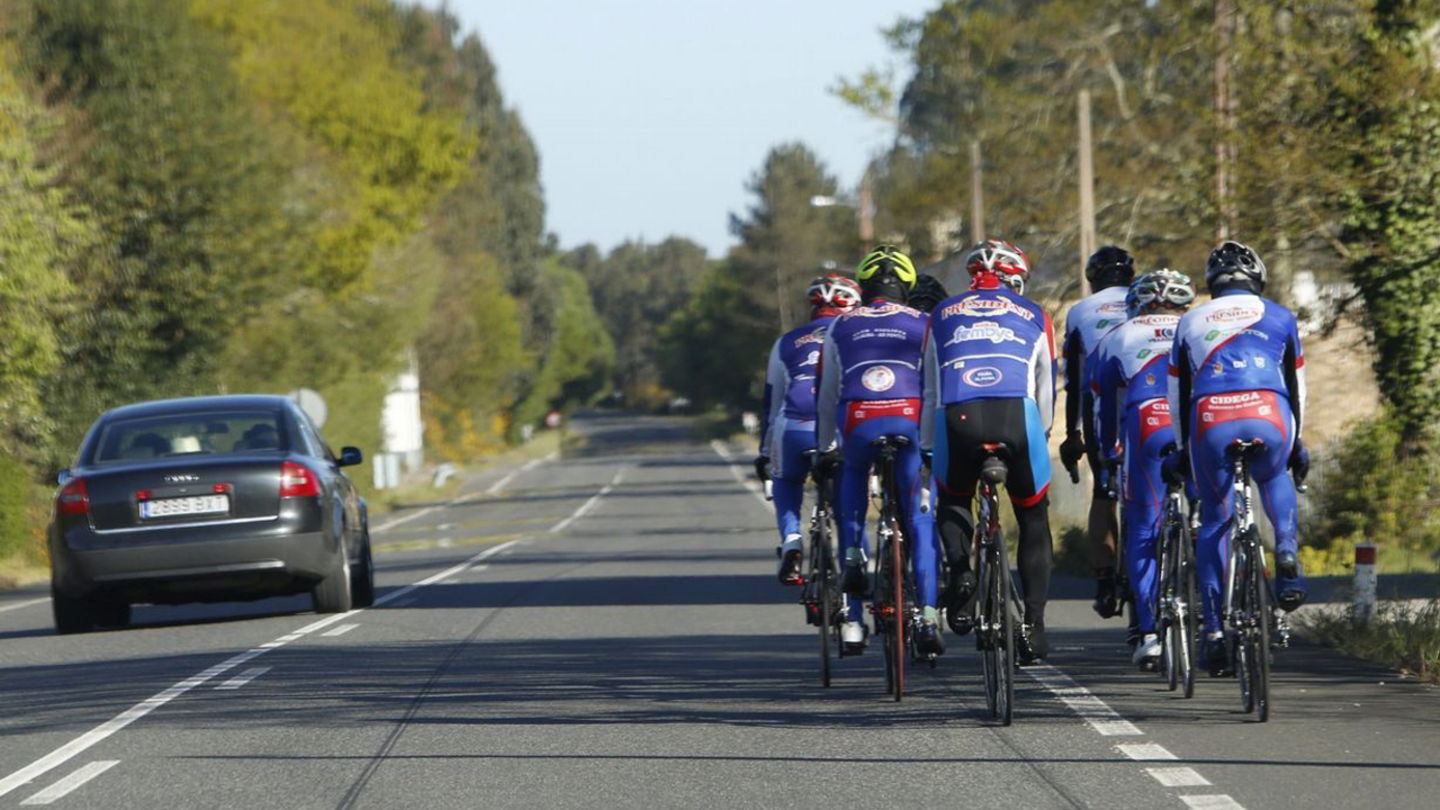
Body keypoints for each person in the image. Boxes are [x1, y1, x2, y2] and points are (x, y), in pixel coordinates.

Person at [1165, 241, 1310, 676]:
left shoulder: (1190, 320)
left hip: (1212, 418)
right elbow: (1298, 386)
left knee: (1215, 520)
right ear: (1258, 279)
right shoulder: (1281, 315)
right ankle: (1286, 555)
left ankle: (1213, 631)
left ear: (1212, 284)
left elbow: (1178, 396)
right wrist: (1297, 441)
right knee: (1273, 474)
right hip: (1269, 411)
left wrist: (1180, 449)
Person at [921, 238, 1057, 663]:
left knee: (954, 499)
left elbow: (931, 390)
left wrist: (929, 447)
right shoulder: (1036, 315)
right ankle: (1034, 625)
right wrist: (1043, 432)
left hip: (958, 418)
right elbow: (1047, 388)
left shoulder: (941, 314)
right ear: (1016, 280)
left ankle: (962, 571)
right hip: (1019, 417)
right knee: (1033, 516)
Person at [816, 246, 941, 656]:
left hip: (858, 418)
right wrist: (928, 446)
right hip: (908, 419)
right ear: (906, 285)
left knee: (851, 477)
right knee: (919, 521)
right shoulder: (924, 322)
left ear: (865, 287)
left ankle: (853, 569)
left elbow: (827, 391)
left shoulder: (840, 324)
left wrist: (824, 446)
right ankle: (926, 616)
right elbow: (933, 388)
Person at [1091, 269, 1196, 670]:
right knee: (1215, 515)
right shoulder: (1194, 326)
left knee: (1143, 527)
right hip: (1195, 422)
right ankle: (1220, 624)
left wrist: (1106, 453)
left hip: (1147, 422)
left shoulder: (1118, 335)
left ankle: (1150, 632)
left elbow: (1104, 408)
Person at [756, 273, 862, 584]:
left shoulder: (786, 342)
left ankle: (791, 539)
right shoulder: (856, 333)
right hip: (842, 429)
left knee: (786, 481)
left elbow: (771, 403)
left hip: (793, 427)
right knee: (849, 511)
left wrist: (765, 454)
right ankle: (854, 600)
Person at [1058, 246, 1137, 619]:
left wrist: (1073, 433)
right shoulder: (1147, 299)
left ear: (1092, 280)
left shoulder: (1079, 312)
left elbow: (1073, 381)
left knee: (1104, 496)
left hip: (1099, 406)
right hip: (1148, 400)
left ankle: (1105, 581)